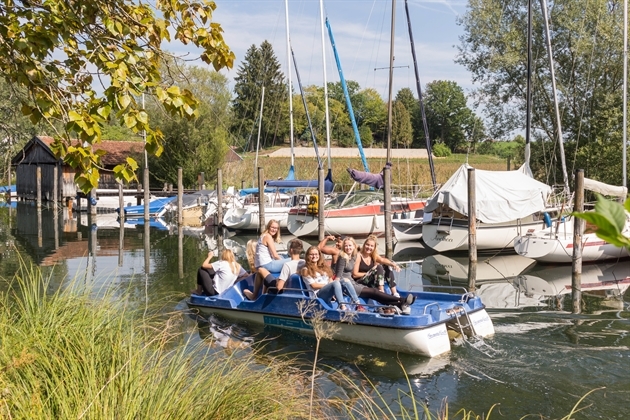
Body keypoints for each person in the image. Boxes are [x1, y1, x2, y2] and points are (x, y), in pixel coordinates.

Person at [337, 237, 414, 312]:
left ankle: (397, 300)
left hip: (356, 283)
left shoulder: (358, 256)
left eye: (371, 246)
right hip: (355, 283)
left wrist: (394, 264)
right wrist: (371, 272)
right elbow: (346, 275)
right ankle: (400, 299)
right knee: (375, 286)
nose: (369, 247)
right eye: (367, 245)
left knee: (385, 268)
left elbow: (383, 260)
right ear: (364, 245)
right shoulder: (350, 257)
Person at [301, 246, 364, 311]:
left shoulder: (323, 267)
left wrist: (333, 288)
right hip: (318, 295)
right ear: (308, 256)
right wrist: (330, 286)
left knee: (346, 280)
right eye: (311, 254)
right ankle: (342, 307)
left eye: (316, 254)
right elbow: (314, 286)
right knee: (336, 283)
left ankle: (358, 304)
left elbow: (330, 280)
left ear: (319, 255)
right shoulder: (306, 270)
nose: (314, 256)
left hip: (328, 291)